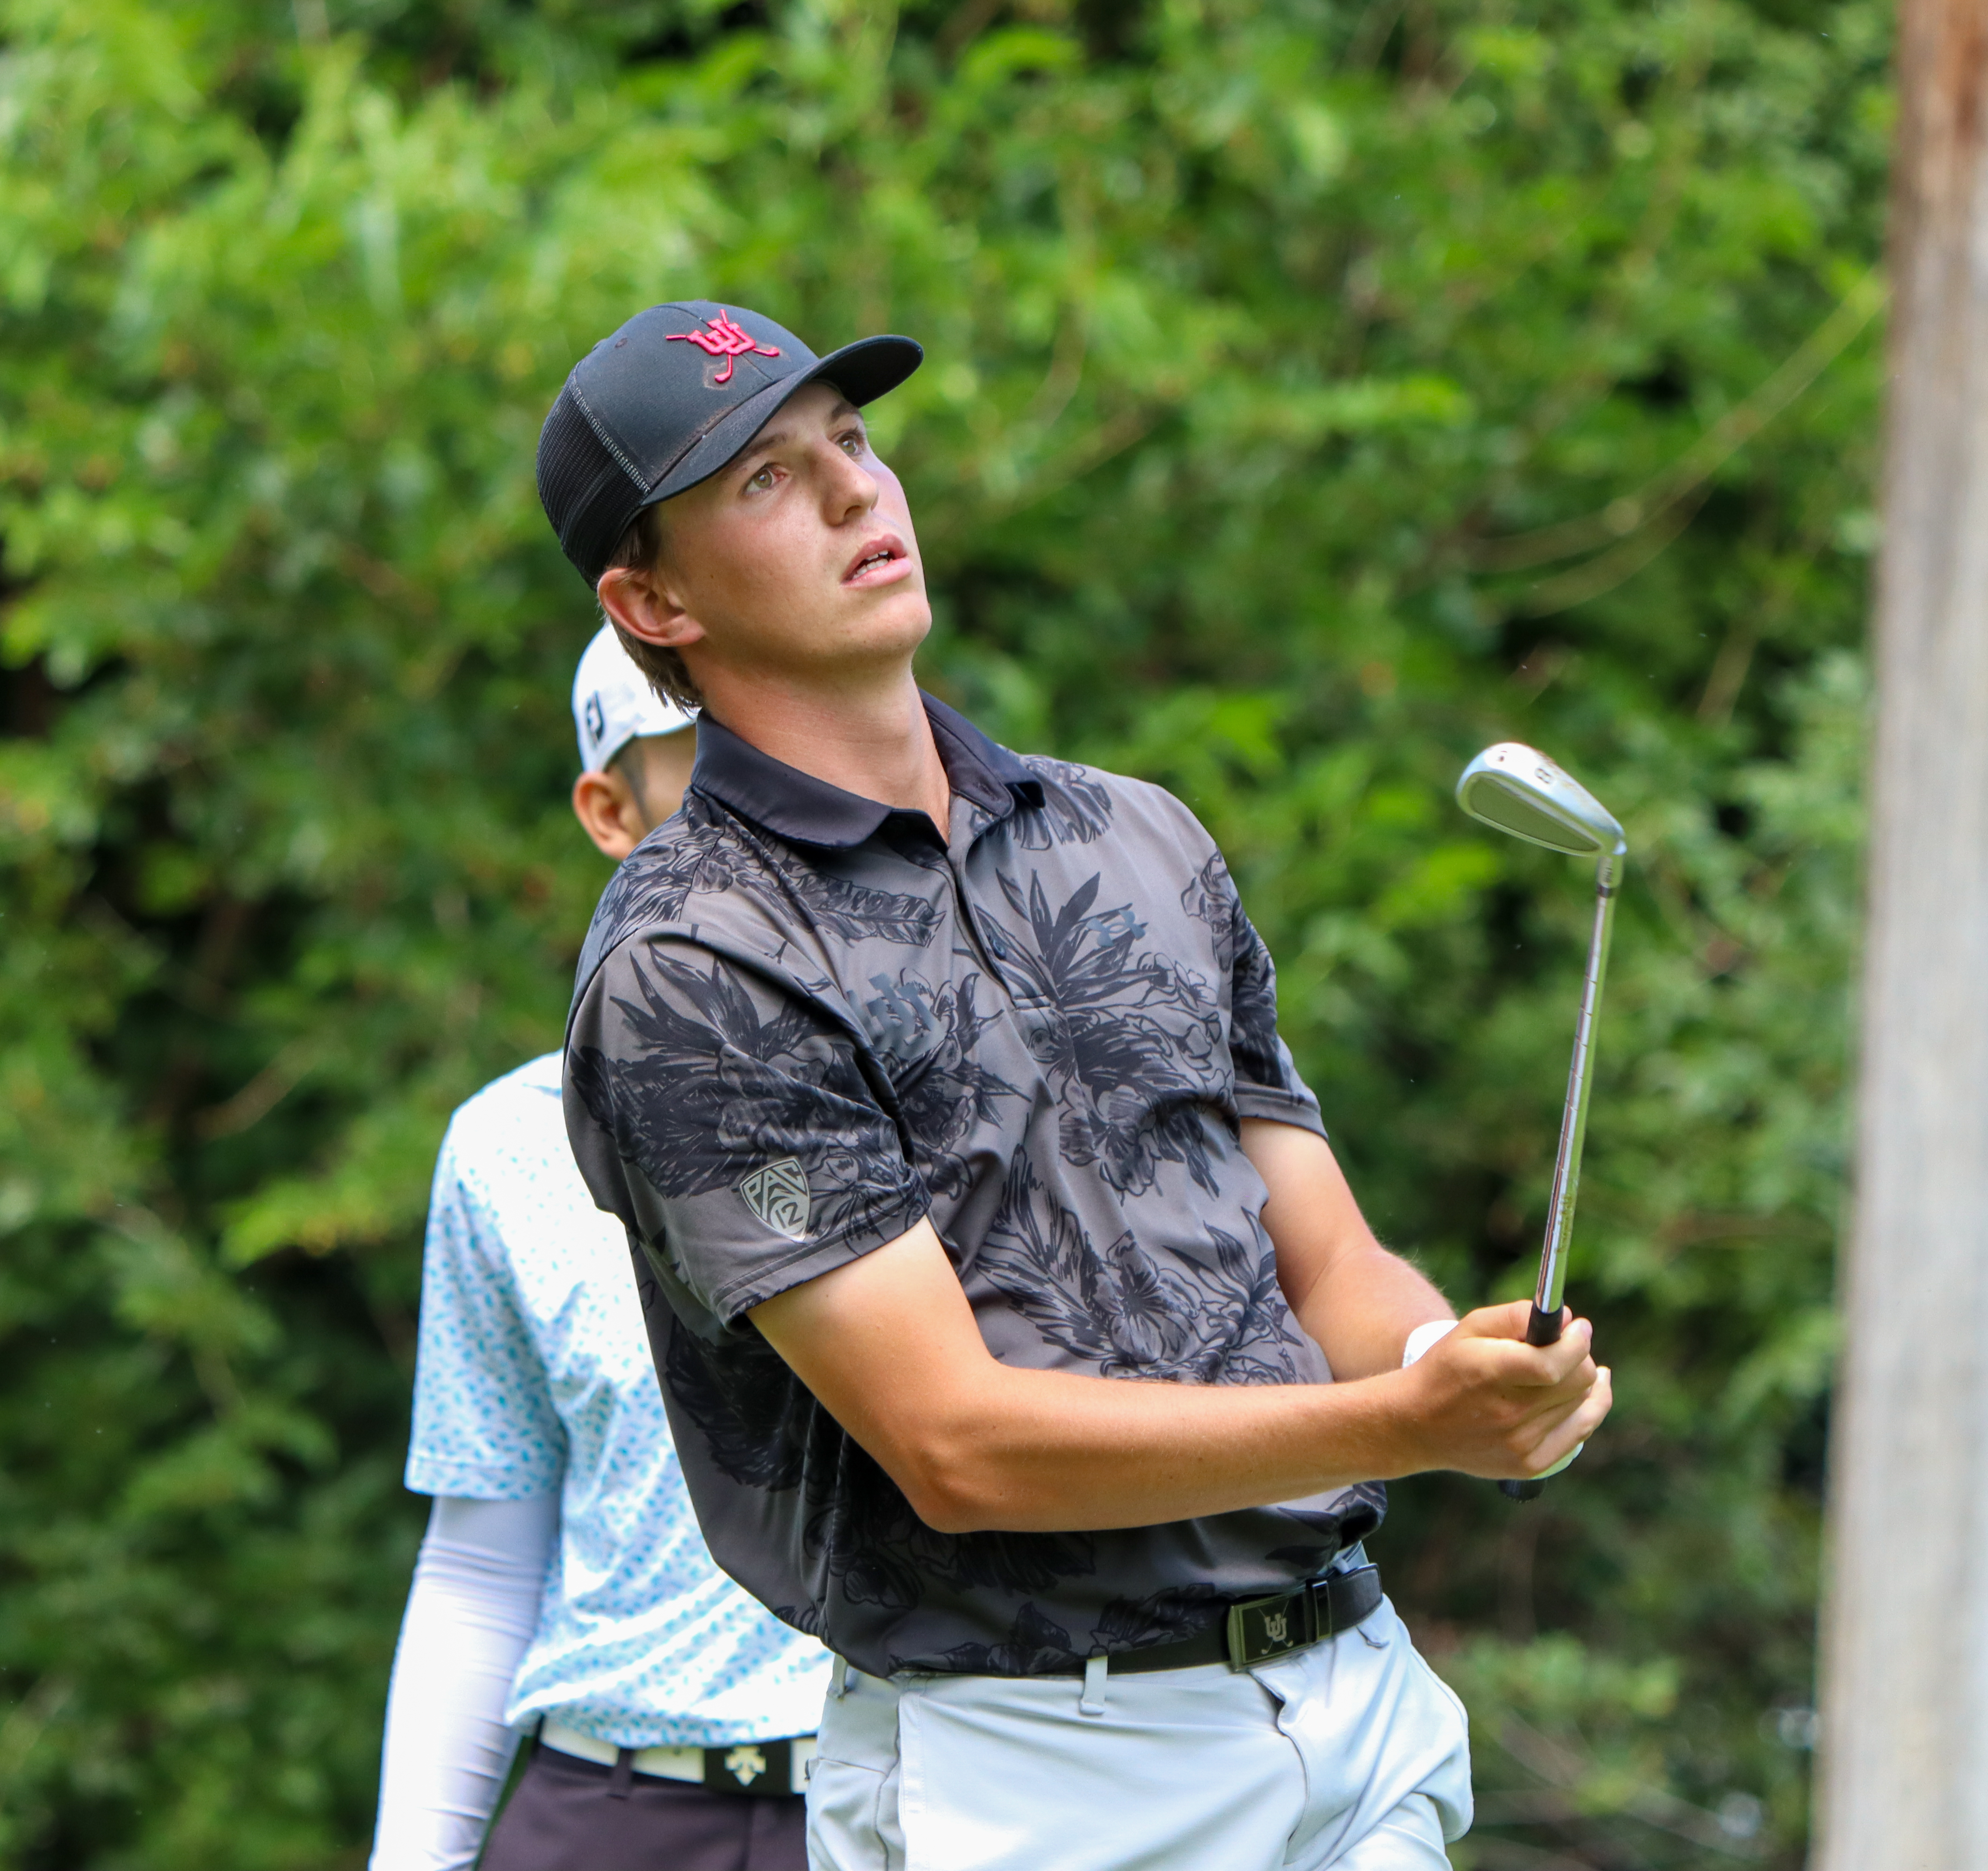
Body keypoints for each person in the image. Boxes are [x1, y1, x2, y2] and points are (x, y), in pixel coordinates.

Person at [539, 302, 1616, 1871]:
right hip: (1040, 1769)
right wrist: (1398, 1422)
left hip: (1353, 1711)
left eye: (851, 440)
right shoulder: (696, 963)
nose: (857, 493)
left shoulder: (1136, 837)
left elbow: (1324, 1260)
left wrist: (1454, 1360)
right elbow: (958, 1447)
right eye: (766, 480)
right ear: (653, 597)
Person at [369, 628, 832, 1871]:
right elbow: (481, 1556)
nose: (766, 812)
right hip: (612, 1810)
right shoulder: (506, 1153)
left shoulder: (965, 1097)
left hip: (910, 1796)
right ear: (610, 808)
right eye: (708, 767)